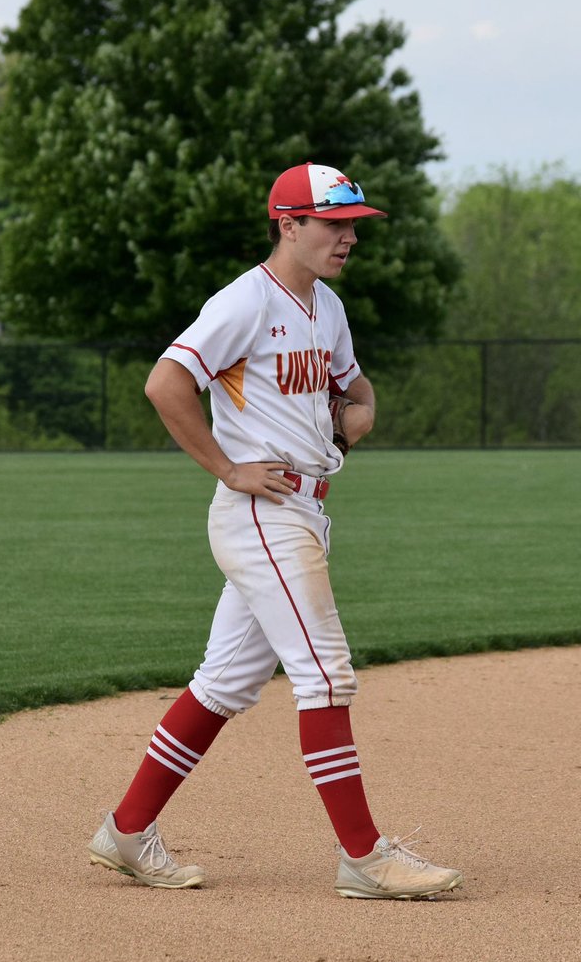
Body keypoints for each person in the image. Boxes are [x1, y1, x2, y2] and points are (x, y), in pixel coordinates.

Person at [88, 162, 462, 900]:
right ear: (288, 224)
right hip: (263, 513)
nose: (349, 237)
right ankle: (363, 857)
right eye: (333, 223)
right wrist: (226, 468)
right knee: (325, 674)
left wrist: (356, 417)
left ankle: (126, 832)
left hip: (305, 509)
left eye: (354, 225)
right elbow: (165, 383)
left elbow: (354, 389)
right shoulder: (245, 302)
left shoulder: (326, 307)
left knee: (223, 683)